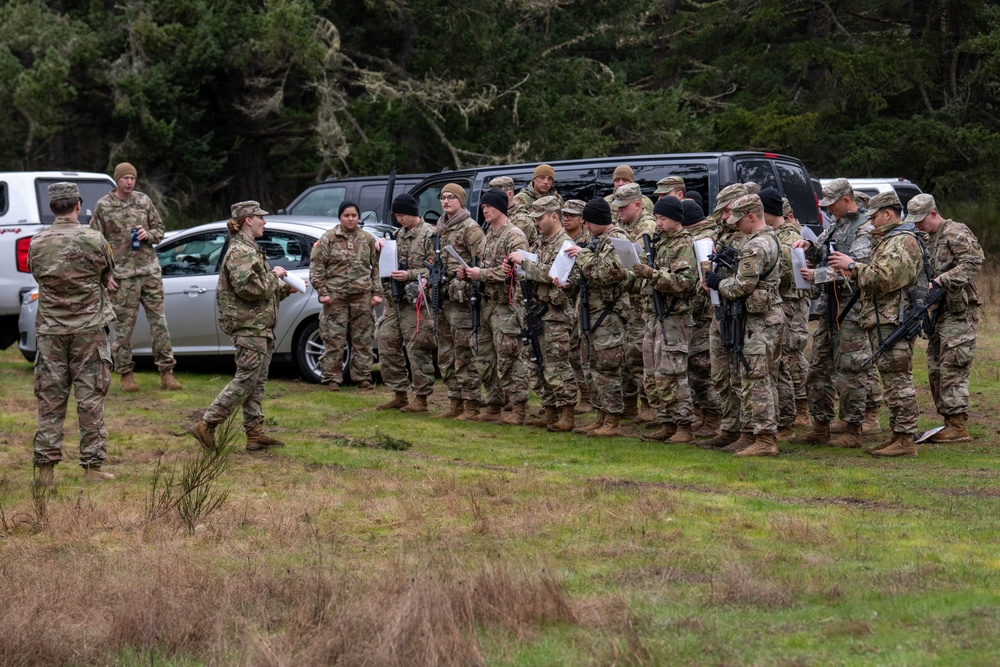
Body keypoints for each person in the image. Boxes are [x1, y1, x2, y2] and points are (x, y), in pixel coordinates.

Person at [30, 182, 116, 485]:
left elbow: (37, 275)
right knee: (90, 399)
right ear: (78, 205)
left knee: (50, 401)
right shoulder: (95, 239)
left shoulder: (38, 242)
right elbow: (106, 275)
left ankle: (45, 471)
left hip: (51, 332)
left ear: (54, 208)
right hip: (89, 331)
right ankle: (92, 467)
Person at [190, 202, 295, 452]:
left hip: (259, 326)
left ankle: (255, 433)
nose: (264, 222)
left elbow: (258, 291)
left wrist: (283, 290)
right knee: (246, 380)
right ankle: (207, 424)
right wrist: (275, 275)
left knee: (256, 382)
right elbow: (249, 289)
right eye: (261, 217)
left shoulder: (250, 249)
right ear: (248, 220)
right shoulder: (241, 251)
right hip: (249, 327)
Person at [828, 191, 922, 457]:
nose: (871, 222)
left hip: (894, 320)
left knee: (899, 381)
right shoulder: (889, 240)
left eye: (875, 217)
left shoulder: (901, 241)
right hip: (885, 319)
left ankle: (905, 439)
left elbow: (885, 279)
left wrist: (852, 267)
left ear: (888, 214)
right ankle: (898, 435)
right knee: (892, 381)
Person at [793, 178, 879, 448]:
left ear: (846, 199)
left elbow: (857, 268)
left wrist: (815, 274)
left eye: (832, 205)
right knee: (818, 369)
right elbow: (822, 250)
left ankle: (854, 429)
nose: (829, 210)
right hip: (829, 309)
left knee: (851, 373)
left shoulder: (865, 229)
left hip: (851, 312)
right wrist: (809, 248)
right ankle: (820, 424)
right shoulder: (836, 225)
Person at [703, 194, 784, 457]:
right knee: (758, 377)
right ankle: (752, 432)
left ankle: (765, 438)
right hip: (764, 320)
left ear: (752, 216)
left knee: (755, 378)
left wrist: (716, 282)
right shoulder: (769, 239)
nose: (736, 225)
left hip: (759, 323)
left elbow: (742, 286)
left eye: (740, 219)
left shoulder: (757, 246)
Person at [91, 162, 181, 393]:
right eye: (125, 178)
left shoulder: (143, 201)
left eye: (132, 178)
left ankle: (167, 373)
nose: (129, 182)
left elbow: (160, 231)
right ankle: (126, 375)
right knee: (123, 329)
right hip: (122, 277)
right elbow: (95, 243)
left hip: (149, 271)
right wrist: (105, 275)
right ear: (117, 180)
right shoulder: (104, 206)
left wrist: (147, 234)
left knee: (160, 324)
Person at [906, 193, 984, 442]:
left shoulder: (955, 232)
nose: (917, 224)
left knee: (953, 365)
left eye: (921, 219)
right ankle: (948, 421)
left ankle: (957, 425)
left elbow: (974, 261)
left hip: (958, 312)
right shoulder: (927, 239)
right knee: (936, 367)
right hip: (938, 312)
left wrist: (943, 279)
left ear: (933, 213)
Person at [456, 189, 529, 424]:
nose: (484, 210)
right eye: (483, 206)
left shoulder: (514, 235)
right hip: (487, 305)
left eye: (489, 206)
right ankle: (494, 404)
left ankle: (518, 408)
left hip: (506, 306)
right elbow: (486, 268)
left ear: (501, 207)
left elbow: (518, 272)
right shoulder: (488, 235)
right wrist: (468, 274)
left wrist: (482, 274)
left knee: (509, 357)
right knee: (483, 356)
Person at [629, 196, 698, 443]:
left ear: (676, 219)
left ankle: (684, 425)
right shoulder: (660, 242)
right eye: (656, 218)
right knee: (653, 373)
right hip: (654, 316)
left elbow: (684, 282)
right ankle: (667, 421)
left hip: (674, 318)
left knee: (673, 373)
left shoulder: (683, 244)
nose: (657, 223)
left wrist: (651, 274)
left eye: (663, 218)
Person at [507, 195, 578, 432]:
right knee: (536, 363)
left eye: (539, 218)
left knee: (556, 365)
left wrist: (525, 264)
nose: (536, 222)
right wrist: (517, 264)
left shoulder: (565, 245)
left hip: (555, 315)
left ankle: (567, 413)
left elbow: (556, 275)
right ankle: (550, 411)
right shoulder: (541, 242)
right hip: (536, 312)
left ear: (553, 216)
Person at [563, 199, 629, 437]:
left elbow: (605, 273)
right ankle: (601, 414)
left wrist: (582, 255)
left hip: (607, 315)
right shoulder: (596, 241)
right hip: (591, 313)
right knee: (591, 366)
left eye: (589, 221)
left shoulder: (617, 239)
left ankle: (613, 419)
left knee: (607, 367)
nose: (586, 225)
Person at [309, 201, 382, 391]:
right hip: (336, 297)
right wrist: (322, 292)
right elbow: (317, 267)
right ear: (340, 217)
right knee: (334, 339)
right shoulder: (328, 238)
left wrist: (377, 292)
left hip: (362, 296)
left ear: (358, 217)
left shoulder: (367, 239)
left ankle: (363, 377)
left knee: (363, 339)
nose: (350, 219)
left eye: (354, 215)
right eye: (346, 215)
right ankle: (332, 378)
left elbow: (376, 268)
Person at [374, 193, 437, 412]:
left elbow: (434, 268)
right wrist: (380, 248)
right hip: (395, 301)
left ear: (413, 212)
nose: (399, 219)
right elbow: (384, 264)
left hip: (416, 302)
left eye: (403, 215)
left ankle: (421, 398)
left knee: (417, 348)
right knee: (387, 342)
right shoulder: (396, 235)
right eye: (397, 215)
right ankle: (399, 393)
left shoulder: (430, 234)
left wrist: (409, 274)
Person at [699, 183, 750, 449]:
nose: (724, 217)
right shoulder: (722, 234)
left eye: (728, 211)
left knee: (741, 374)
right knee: (721, 373)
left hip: (740, 313)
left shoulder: (751, 237)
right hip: (719, 309)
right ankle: (729, 427)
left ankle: (747, 431)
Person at [433, 183, 485, 419]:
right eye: (443, 197)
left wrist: (469, 275)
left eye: (451, 197)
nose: (446, 201)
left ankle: (472, 403)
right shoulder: (440, 227)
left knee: (464, 351)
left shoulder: (470, 227)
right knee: (445, 352)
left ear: (461, 201)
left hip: (462, 298)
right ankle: (454, 401)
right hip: (442, 295)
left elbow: (482, 260)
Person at [759, 188, 807, 439]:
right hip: (778, 304)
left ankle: (797, 411)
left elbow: (790, 276)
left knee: (788, 359)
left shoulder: (787, 237)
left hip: (789, 304)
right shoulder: (770, 235)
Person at [609, 182, 657, 422]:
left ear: (637, 205)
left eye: (623, 207)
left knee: (639, 353)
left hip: (639, 298)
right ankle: (629, 402)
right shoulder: (623, 225)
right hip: (625, 298)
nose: (619, 211)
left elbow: (642, 262)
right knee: (626, 354)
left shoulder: (647, 227)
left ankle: (648, 404)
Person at [679, 198, 723, 437]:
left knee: (701, 368)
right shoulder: (708, 236)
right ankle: (706, 415)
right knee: (698, 367)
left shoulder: (701, 241)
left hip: (703, 313)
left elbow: (702, 281)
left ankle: (713, 417)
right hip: (702, 312)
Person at [561, 199, 594, 413]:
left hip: (583, 303)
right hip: (564, 302)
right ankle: (583, 394)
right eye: (564, 214)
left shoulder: (589, 241)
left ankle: (590, 398)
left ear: (582, 218)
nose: (566, 218)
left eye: (571, 215)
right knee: (571, 353)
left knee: (585, 352)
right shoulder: (561, 241)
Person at [493, 176, 537, 246]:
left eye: (496, 195)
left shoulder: (521, 220)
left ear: (509, 195)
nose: (492, 199)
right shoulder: (498, 215)